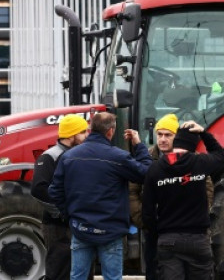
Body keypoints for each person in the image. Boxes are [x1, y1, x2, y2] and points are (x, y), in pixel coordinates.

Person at [49, 112, 151, 280]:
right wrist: (138, 145)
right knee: (112, 277)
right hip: (110, 230)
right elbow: (146, 173)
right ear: (110, 131)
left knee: (78, 277)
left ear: (90, 129)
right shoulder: (118, 157)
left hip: (81, 228)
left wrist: (70, 215)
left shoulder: (68, 157)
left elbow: (55, 191)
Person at [141, 121, 224, 280]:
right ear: (193, 146)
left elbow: (147, 211)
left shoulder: (155, 169)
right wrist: (203, 133)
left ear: (176, 141)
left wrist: (157, 232)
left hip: (168, 240)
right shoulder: (200, 163)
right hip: (198, 239)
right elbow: (220, 154)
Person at [31, 114, 89, 280]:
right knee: (60, 270)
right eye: (83, 132)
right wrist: (63, 212)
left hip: (78, 223)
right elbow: (39, 189)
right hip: (58, 227)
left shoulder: (79, 155)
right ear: (71, 135)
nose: (87, 136)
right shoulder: (49, 157)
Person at [129, 113, 179, 280]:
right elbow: (132, 190)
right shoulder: (147, 157)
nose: (163, 139)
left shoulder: (187, 158)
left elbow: (205, 187)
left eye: (168, 135)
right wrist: (142, 218)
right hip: (152, 228)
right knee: (153, 269)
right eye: (160, 134)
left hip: (179, 227)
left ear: (175, 137)